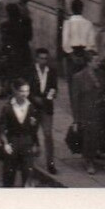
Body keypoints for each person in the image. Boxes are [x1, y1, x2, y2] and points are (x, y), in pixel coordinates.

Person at [0, 77, 43, 187]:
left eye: (27, 91)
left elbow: (34, 129)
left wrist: (36, 144)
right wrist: (6, 144)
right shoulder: (7, 108)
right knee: (9, 174)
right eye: (22, 91)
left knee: (28, 174)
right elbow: (2, 128)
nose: (25, 94)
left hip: (27, 143)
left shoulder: (32, 107)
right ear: (16, 91)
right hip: (13, 142)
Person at [68, 51, 105, 175]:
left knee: (96, 136)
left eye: (98, 61)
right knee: (88, 137)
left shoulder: (101, 74)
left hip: (98, 111)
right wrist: (76, 119)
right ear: (89, 63)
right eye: (95, 61)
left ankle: (93, 156)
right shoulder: (78, 77)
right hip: (85, 112)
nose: (98, 63)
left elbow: (104, 91)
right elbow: (75, 99)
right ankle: (88, 160)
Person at [25, 46, 59, 174]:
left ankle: (50, 163)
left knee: (48, 134)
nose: (43, 62)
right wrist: (34, 98)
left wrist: (51, 95)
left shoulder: (52, 71)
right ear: (37, 59)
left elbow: (54, 87)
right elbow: (26, 89)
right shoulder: (30, 71)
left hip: (46, 108)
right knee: (32, 131)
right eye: (41, 59)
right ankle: (34, 149)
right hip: (33, 108)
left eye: (46, 59)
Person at [60, 0, 97, 69]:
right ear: (82, 9)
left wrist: (72, 55)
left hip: (71, 54)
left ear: (71, 9)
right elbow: (91, 42)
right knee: (82, 77)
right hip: (84, 54)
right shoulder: (88, 23)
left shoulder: (67, 23)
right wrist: (86, 53)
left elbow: (65, 42)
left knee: (71, 78)